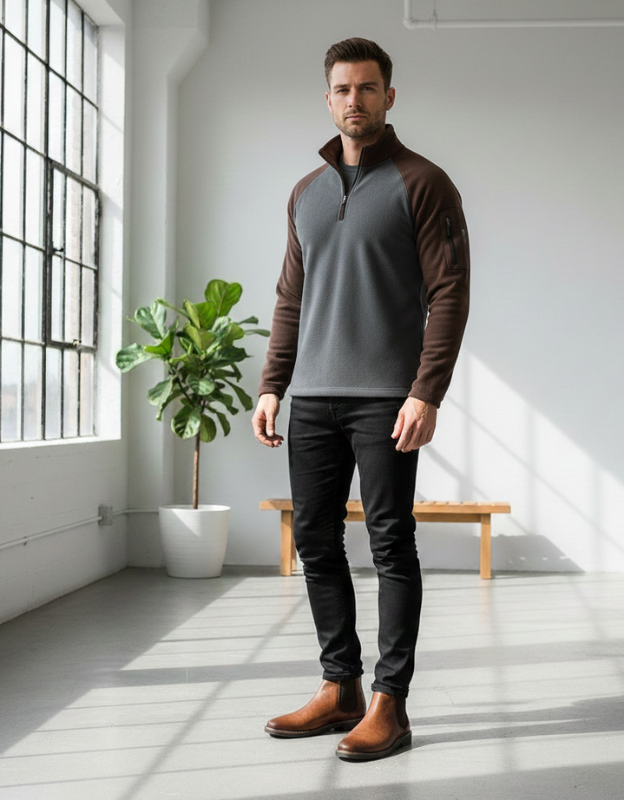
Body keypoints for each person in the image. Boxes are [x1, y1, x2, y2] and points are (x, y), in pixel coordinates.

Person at [251, 37, 470, 761]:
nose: (355, 100)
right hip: (311, 396)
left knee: (389, 544)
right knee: (315, 542)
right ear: (328, 99)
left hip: (385, 400)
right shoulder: (304, 193)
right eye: (343, 89)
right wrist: (272, 384)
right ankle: (338, 685)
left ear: (389, 97)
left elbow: (449, 293)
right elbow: (291, 298)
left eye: (368, 88)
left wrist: (426, 391)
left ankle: (389, 703)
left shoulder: (423, 181)